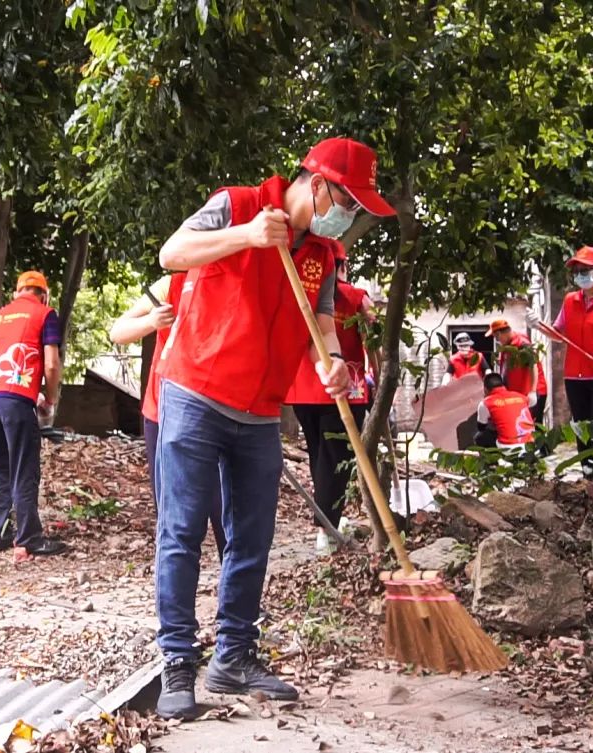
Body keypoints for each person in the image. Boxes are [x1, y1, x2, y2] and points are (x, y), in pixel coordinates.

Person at [153, 137, 396, 720]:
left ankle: (234, 656)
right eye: (349, 200)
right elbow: (172, 253)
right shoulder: (237, 205)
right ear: (319, 184)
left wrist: (332, 363)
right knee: (182, 531)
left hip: (261, 408)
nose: (351, 213)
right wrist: (248, 236)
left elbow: (323, 322)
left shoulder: (326, 254)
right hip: (196, 391)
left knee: (252, 538)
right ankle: (178, 662)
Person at [108, 274, 226, 559]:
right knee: (172, 513)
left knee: (225, 507)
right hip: (164, 408)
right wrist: (152, 321)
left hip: (219, 408)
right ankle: (173, 599)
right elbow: (118, 331)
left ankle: (237, 596)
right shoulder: (171, 283)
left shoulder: (240, 277)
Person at [286, 246, 376, 554]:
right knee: (336, 461)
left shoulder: (302, 295)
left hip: (302, 390)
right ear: (342, 265)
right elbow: (374, 338)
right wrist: (376, 376)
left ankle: (332, 519)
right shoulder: (356, 297)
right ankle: (325, 529)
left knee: (319, 458)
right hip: (342, 391)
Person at [0, 270, 66, 557]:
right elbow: (51, 364)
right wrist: (50, 397)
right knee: (24, 467)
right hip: (15, 399)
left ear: (16, 293)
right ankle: (29, 537)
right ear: (44, 294)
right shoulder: (44, 313)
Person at [527, 246, 593, 474]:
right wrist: (538, 325)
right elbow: (559, 333)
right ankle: (589, 474)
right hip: (575, 377)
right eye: (577, 270)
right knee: (582, 428)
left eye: (585, 269)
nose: (580, 274)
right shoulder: (571, 300)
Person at [488, 318, 548, 424]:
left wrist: (533, 391)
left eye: (496, 337)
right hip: (518, 394)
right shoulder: (508, 347)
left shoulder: (522, 343)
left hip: (532, 393)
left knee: (532, 428)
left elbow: (533, 365)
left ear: (498, 334)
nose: (497, 341)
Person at [473, 373, 535, 450]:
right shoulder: (520, 396)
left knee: (479, 437)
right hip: (531, 444)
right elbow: (532, 402)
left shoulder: (486, 403)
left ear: (485, 389)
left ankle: (492, 458)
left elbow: (481, 427)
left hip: (508, 447)